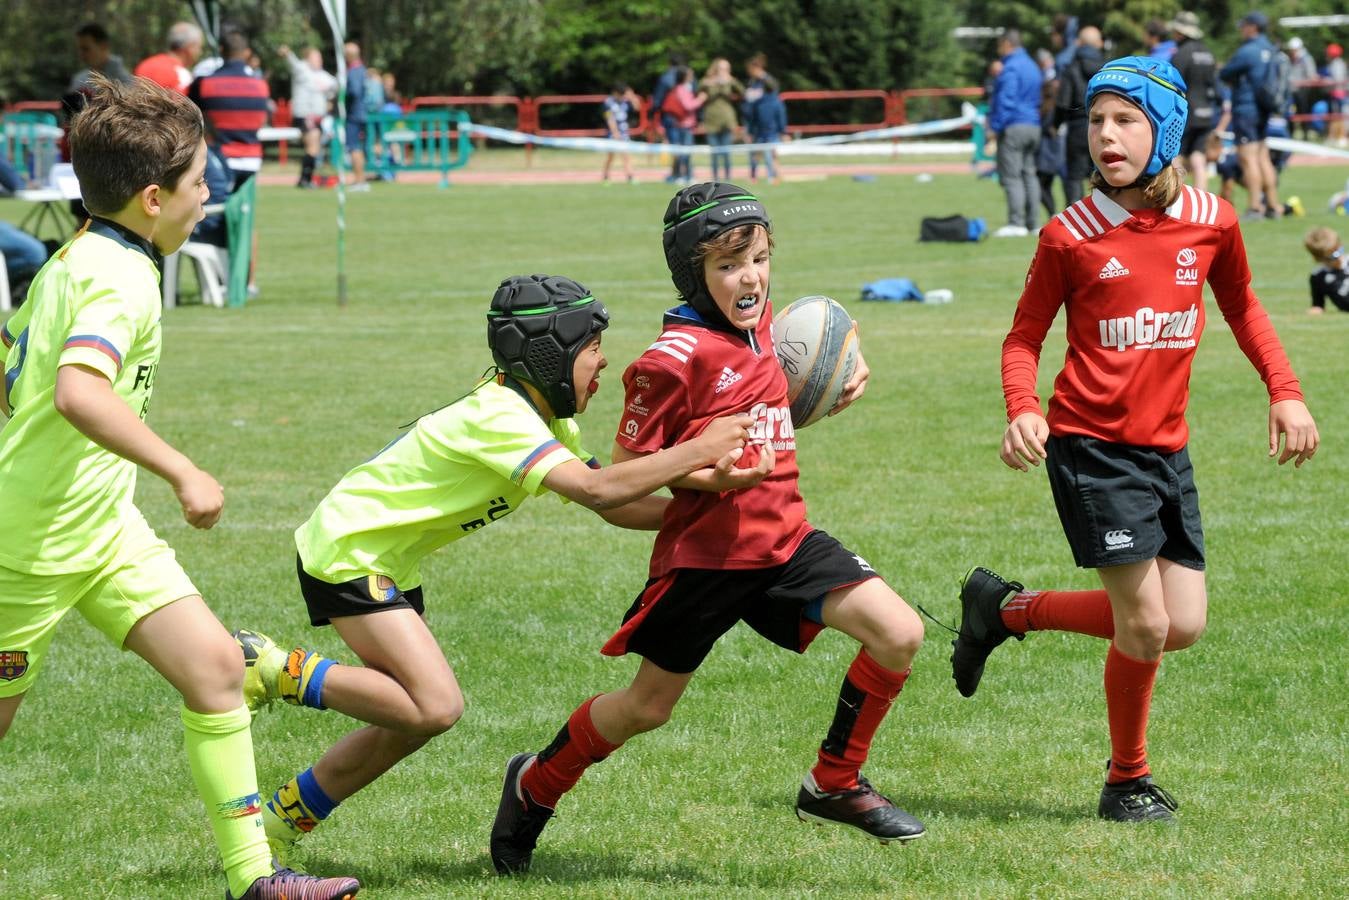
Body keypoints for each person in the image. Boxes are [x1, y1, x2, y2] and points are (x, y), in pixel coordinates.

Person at [231, 273, 753, 868]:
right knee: (436, 705)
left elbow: (614, 503)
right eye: (593, 348)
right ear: (549, 354)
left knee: (409, 721)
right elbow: (599, 489)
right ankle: (272, 669)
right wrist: (697, 449)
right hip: (349, 550)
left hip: (384, 558)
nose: (605, 362)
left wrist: (700, 513)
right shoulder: (501, 415)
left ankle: (276, 824)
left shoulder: (543, 416)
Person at [490, 183, 928, 877]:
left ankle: (834, 784)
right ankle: (534, 783)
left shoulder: (765, 329)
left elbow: (811, 353)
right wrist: (704, 478)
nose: (748, 277)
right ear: (693, 274)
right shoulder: (670, 360)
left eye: (757, 258)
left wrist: (846, 365)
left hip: (784, 540)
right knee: (645, 708)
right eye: (727, 266)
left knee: (900, 632)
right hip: (707, 559)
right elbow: (630, 472)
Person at [0, 74, 360, 900]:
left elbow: (16, 374)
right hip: (31, 542)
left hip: (103, 527)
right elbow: (76, 392)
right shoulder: (116, 278)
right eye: (201, 183)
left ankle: (253, 881)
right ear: (155, 198)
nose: (210, 196)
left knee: (214, 670)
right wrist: (183, 468)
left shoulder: (81, 253)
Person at [954, 56, 1318, 824]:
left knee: (1179, 624)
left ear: (1167, 128)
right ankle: (1126, 781)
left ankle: (1005, 611)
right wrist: (1022, 406)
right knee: (1145, 625)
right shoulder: (1069, 235)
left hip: (1165, 449)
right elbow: (1023, 338)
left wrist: (1283, 394)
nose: (1105, 135)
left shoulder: (1213, 220)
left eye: (1125, 119)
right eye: (1095, 121)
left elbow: (1244, 309)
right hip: (1089, 447)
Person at [189, 27, 270, 189]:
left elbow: (192, 119)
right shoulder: (261, 86)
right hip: (252, 161)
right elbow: (262, 121)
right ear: (247, 53)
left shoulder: (203, 84)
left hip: (217, 159)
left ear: (221, 50)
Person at [1219, 12, 1281, 220]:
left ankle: (1255, 207)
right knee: (1263, 157)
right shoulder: (1270, 49)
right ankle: (1274, 205)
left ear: (1252, 27)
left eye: (1243, 25)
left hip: (1246, 110)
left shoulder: (1247, 51)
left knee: (1248, 159)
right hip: (1264, 109)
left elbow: (1225, 73)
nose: (1241, 29)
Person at [989, 29, 1044, 236]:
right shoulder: (1032, 66)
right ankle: (1034, 222)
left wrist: (994, 128)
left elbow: (1006, 100)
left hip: (1014, 126)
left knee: (1012, 176)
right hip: (1033, 124)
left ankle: (1016, 222)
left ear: (1006, 44)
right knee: (1029, 174)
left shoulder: (1010, 68)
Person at [1168, 11, 1219, 192]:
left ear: (1180, 33)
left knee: (1177, 156)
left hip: (1185, 114)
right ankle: (1202, 198)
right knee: (1199, 157)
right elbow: (1214, 84)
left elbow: (1172, 85)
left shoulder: (1181, 54)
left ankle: (1176, 198)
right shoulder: (1207, 53)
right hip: (1205, 112)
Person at [1056, 26, 1104, 205]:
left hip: (1077, 128)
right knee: (1103, 175)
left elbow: (1062, 102)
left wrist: (1054, 125)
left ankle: (1074, 223)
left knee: (1074, 177)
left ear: (1079, 43)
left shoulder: (1071, 68)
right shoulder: (1108, 68)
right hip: (1103, 128)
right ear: (1098, 43)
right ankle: (1107, 219)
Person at [279, 45, 337, 188]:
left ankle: (307, 178)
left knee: (315, 148)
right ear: (308, 59)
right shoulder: (303, 70)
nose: (319, 59)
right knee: (313, 145)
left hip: (319, 117)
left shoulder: (323, 75)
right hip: (305, 115)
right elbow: (293, 62)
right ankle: (305, 179)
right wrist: (287, 53)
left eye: (320, 57)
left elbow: (335, 86)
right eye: (316, 57)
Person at [743, 54, 787, 184]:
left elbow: (780, 114)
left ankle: (773, 176)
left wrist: (782, 131)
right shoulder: (753, 84)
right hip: (758, 128)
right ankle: (754, 176)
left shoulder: (770, 89)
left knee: (770, 153)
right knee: (756, 153)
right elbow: (750, 110)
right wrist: (750, 130)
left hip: (770, 129)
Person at [700, 58, 744, 182]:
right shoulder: (707, 81)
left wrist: (732, 80)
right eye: (722, 68)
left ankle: (728, 178)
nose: (724, 71)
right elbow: (698, 89)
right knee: (714, 152)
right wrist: (712, 82)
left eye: (726, 69)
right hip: (711, 120)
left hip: (727, 120)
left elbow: (742, 92)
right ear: (715, 68)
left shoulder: (730, 81)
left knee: (726, 151)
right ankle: (715, 179)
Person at [134, 21, 204, 94]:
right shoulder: (182, 75)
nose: (200, 52)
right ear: (189, 47)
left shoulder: (145, 65)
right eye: (199, 47)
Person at [67, 23, 133, 93]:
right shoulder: (79, 80)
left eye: (86, 49)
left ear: (103, 46)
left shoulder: (123, 81)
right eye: (79, 49)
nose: (81, 54)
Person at [1035, 48, 1063, 218]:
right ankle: (1053, 213)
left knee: (1040, 184)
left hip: (1047, 149)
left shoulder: (1046, 110)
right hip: (1055, 148)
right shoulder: (1054, 108)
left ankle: (1053, 213)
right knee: (1046, 183)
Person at [651, 52, 686, 181]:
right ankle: (685, 172)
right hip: (687, 117)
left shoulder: (665, 77)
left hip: (670, 116)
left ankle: (677, 173)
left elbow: (658, 99)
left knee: (675, 145)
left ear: (669, 63)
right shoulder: (688, 77)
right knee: (685, 144)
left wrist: (654, 113)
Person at [342, 42, 370, 191]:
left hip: (354, 114)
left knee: (353, 148)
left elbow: (354, 91)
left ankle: (360, 181)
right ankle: (360, 180)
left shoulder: (353, 71)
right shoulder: (362, 70)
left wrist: (342, 96)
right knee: (356, 148)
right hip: (361, 113)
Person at [1303, 226, 1349, 313]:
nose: (1337, 258)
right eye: (1332, 257)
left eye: (1339, 251)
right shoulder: (1318, 276)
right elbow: (1318, 306)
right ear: (1318, 258)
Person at [601, 82, 639, 184]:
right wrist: (615, 132)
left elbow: (637, 108)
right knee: (611, 156)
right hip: (613, 133)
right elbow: (610, 118)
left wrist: (631, 95)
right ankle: (605, 176)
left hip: (624, 132)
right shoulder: (608, 102)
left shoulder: (625, 102)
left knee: (626, 155)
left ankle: (630, 176)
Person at [1286, 38, 1318, 139]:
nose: (1292, 52)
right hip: (1291, 91)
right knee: (1290, 113)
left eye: (1294, 49)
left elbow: (1311, 75)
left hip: (1302, 91)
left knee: (1303, 112)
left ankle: (1305, 135)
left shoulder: (1306, 59)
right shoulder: (1290, 59)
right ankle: (1290, 135)